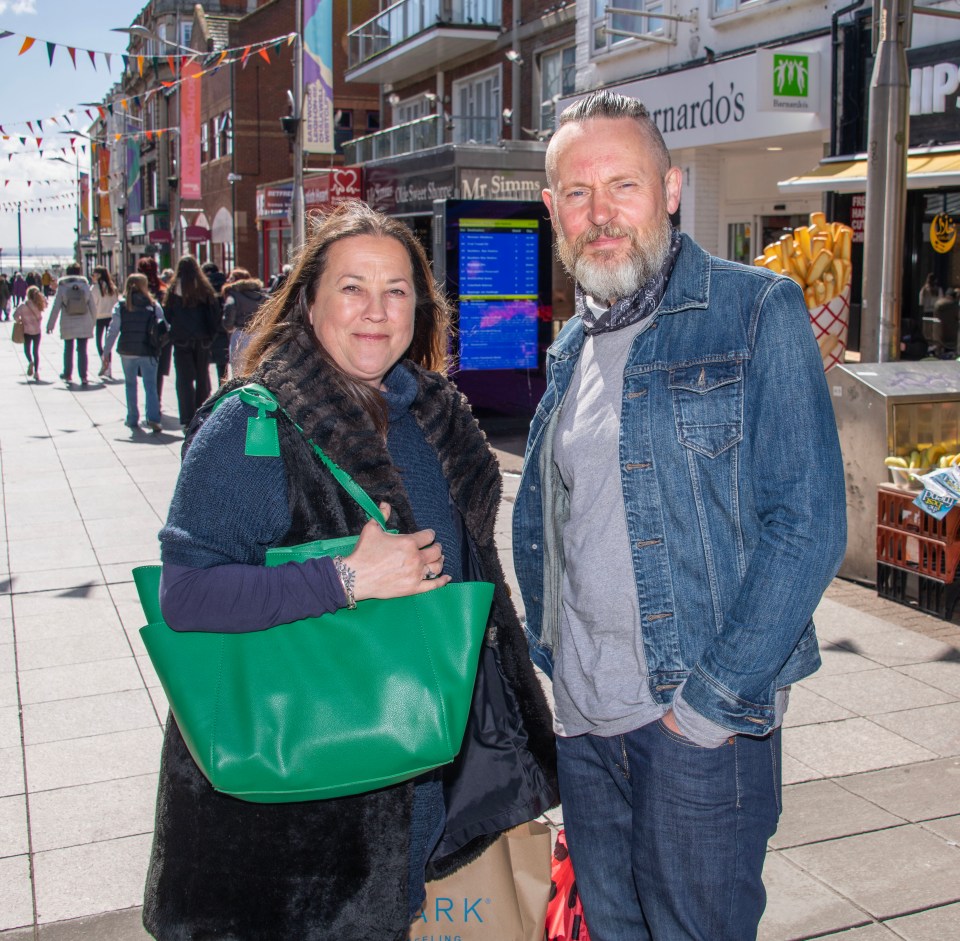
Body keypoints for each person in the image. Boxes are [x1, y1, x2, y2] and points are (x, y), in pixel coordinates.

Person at [141, 200, 558, 940]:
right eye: (352, 287)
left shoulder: (437, 418)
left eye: (396, 290)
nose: (376, 310)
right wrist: (344, 579)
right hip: (300, 812)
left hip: (420, 776)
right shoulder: (254, 424)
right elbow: (186, 595)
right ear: (308, 301)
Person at [512, 91, 846, 941]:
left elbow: (807, 522)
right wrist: (557, 671)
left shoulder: (755, 310)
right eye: (578, 194)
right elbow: (557, 525)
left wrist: (708, 705)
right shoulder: (571, 348)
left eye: (623, 185)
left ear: (669, 189)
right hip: (587, 729)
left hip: (697, 729)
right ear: (552, 210)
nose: (601, 214)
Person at [102, 273, 167, 434]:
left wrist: (106, 351)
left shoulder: (122, 305)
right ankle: (153, 417)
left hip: (127, 351)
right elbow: (165, 326)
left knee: (130, 385)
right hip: (148, 351)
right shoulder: (153, 305)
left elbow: (113, 329)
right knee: (150, 386)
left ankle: (132, 417)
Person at [163, 255, 221, 427]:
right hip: (202, 338)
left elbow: (168, 315)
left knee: (183, 379)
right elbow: (214, 313)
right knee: (202, 377)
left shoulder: (174, 290)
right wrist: (211, 334)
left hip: (181, 339)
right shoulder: (204, 289)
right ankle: (201, 413)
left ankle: (187, 417)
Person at [45, 262, 97, 386]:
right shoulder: (85, 286)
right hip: (84, 321)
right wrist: (93, 322)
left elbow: (56, 307)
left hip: (67, 321)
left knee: (68, 348)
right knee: (82, 350)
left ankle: (67, 373)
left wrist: (50, 325)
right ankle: (83, 376)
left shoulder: (62, 287)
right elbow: (92, 306)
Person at [220, 267, 267, 372]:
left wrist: (229, 326)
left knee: (238, 372)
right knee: (257, 370)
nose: (228, 280)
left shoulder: (233, 295)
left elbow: (229, 312)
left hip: (240, 334)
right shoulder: (261, 294)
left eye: (231, 278)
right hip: (259, 334)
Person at [139, 258, 171, 405]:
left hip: (144, 336)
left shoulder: (138, 291)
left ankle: (151, 402)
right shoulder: (163, 288)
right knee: (158, 373)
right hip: (162, 336)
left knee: (147, 372)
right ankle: (156, 400)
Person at [202, 261, 229, 385]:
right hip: (224, 329)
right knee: (222, 365)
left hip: (208, 329)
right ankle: (222, 389)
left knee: (203, 364)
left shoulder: (204, 286)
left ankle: (207, 390)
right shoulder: (226, 284)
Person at [90, 266, 119, 378]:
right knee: (108, 343)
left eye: (94, 274)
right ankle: (108, 366)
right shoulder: (113, 288)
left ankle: (104, 362)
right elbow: (116, 302)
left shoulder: (95, 288)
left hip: (99, 317)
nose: (92, 276)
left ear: (99, 275)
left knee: (99, 342)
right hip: (110, 316)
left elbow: (92, 303)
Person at [14, 285, 45, 381]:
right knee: (36, 351)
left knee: (27, 349)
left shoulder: (23, 305)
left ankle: (30, 361)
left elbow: (15, 315)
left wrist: (19, 320)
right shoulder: (39, 305)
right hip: (37, 331)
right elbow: (40, 317)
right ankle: (36, 372)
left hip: (26, 331)